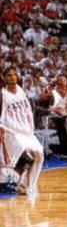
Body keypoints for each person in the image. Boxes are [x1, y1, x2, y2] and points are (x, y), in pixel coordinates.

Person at [0, 66, 45, 200]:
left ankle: (29, 185)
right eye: (9, 75)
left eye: (14, 74)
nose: (12, 77)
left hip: (26, 130)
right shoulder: (2, 94)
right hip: (12, 131)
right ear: (4, 78)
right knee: (28, 157)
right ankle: (23, 183)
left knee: (39, 154)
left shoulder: (20, 90)